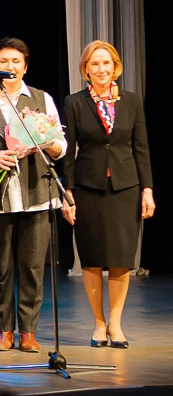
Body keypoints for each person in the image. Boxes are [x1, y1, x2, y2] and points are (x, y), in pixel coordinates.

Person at [0, 37, 66, 353]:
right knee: (1, 268)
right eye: (4, 61)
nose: (10, 67)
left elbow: (60, 147)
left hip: (37, 192)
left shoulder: (41, 100)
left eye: (16, 61)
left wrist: (44, 143)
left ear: (25, 66)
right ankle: (5, 330)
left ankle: (28, 332)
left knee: (33, 266)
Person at [60, 40, 154, 348]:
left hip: (126, 187)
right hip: (88, 187)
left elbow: (140, 148)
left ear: (115, 67)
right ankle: (98, 324)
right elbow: (69, 152)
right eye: (95, 64)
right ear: (86, 70)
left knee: (120, 259)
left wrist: (147, 189)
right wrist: (68, 192)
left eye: (106, 63)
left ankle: (115, 323)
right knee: (91, 258)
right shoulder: (74, 102)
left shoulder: (130, 100)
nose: (101, 69)